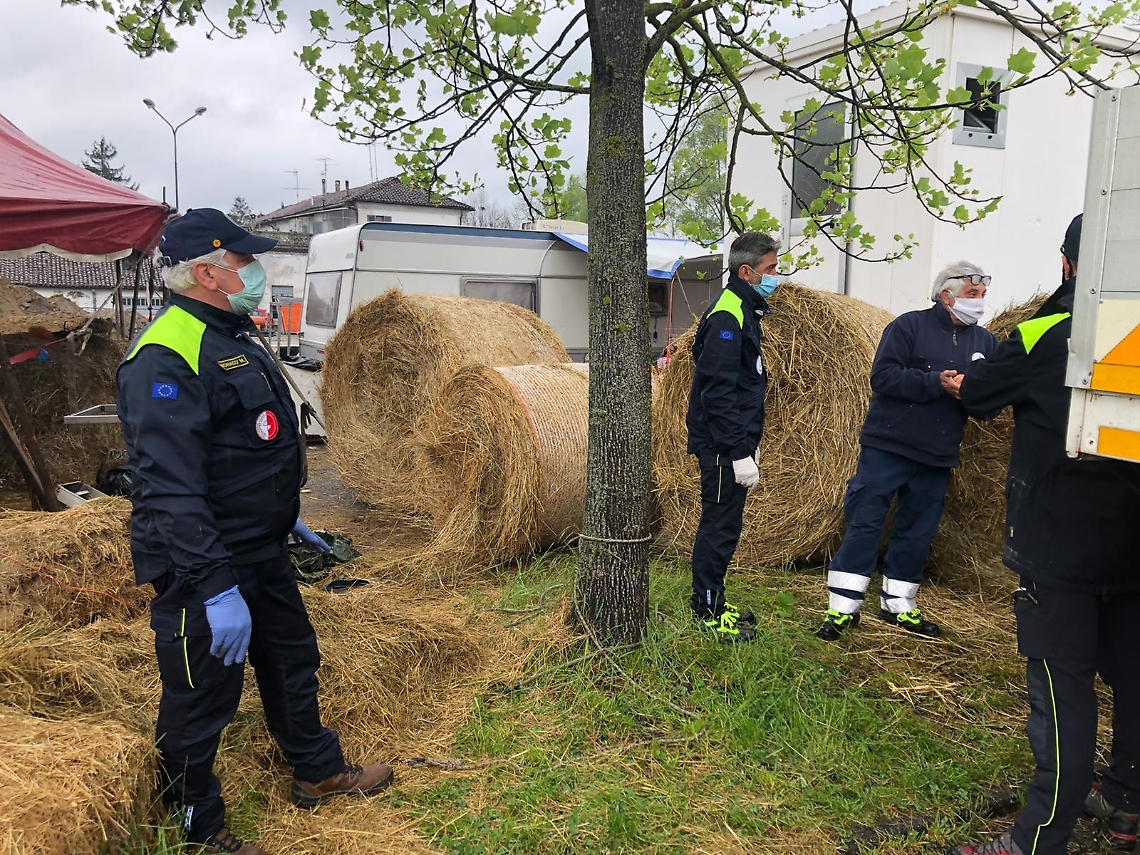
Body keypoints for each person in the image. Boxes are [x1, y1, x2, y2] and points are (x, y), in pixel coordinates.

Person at [118, 209, 392, 855]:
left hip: (259, 547)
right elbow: (169, 487)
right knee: (198, 700)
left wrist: (280, 511)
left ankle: (317, 770)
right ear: (209, 272)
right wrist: (213, 586)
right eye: (244, 261)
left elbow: (245, 446)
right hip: (203, 564)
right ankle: (198, 829)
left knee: (292, 659)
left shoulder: (229, 331)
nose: (257, 271)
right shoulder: (166, 352)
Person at [950, 215, 1140, 855]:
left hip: (1061, 546)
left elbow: (977, 394)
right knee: (1135, 678)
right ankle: (1126, 807)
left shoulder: (1049, 334)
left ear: (1067, 266)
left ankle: (1039, 838)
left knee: (1063, 690)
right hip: (1134, 545)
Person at [816, 262, 997, 641]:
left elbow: (990, 403)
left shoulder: (985, 343)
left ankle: (899, 604)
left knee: (917, 530)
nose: (979, 303)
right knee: (866, 520)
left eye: (982, 296)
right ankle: (843, 609)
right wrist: (935, 382)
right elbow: (882, 376)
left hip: (937, 454)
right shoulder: (909, 326)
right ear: (947, 296)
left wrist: (975, 394)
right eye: (972, 295)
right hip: (889, 446)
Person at [685, 231, 780, 643]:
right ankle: (707, 610)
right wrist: (739, 451)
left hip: (732, 441)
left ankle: (716, 599)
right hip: (723, 446)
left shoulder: (742, 309)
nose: (776, 276)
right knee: (719, 526)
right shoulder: (728, 315)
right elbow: (718, 391)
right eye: (771, 269)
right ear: (747, 271)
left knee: (726, 524)